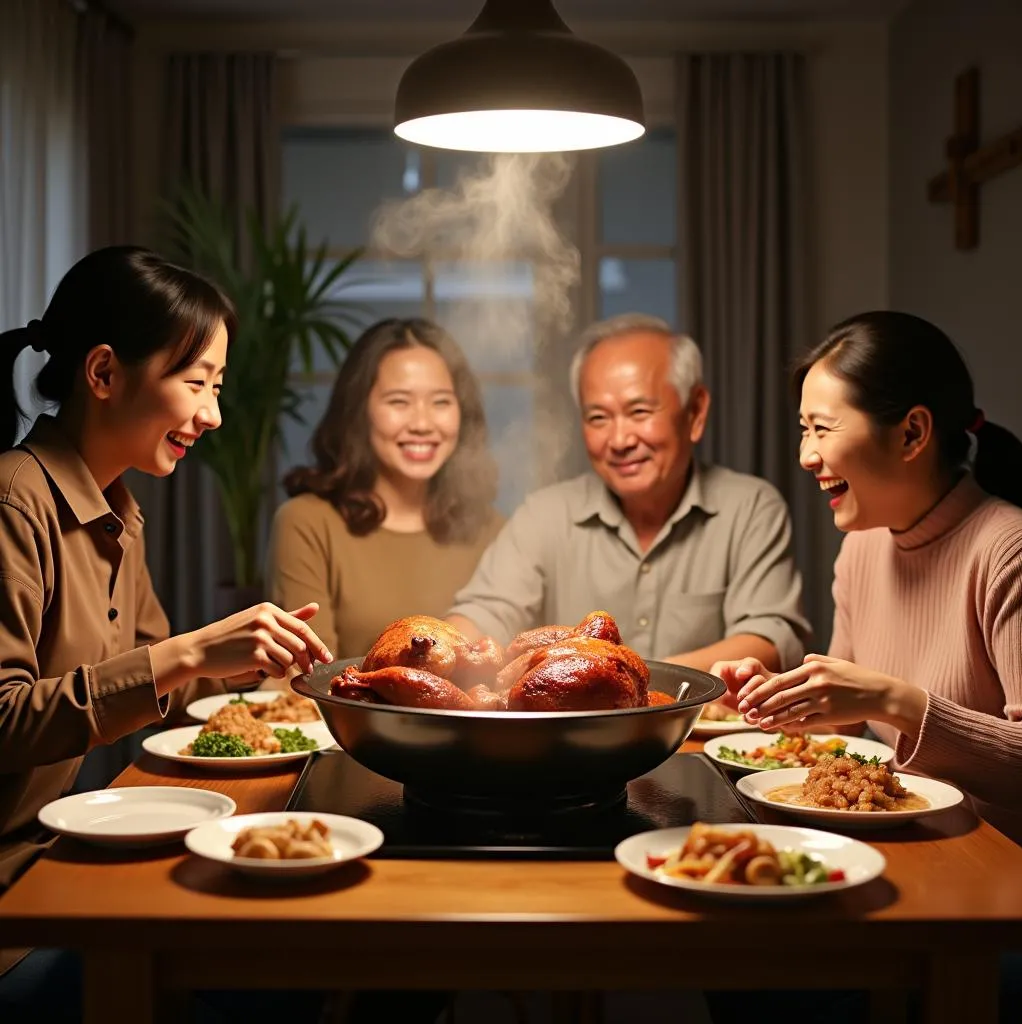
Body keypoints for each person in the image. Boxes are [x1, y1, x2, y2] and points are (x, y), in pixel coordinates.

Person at [0, 247, 333, 1016]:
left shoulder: (115, 509)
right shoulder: (17, 501)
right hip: (16, 903)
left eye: (216, 386)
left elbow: (173, 680)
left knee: (292, 942)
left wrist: (265, 665)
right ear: (106, 373)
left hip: (55, 865)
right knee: (265, 976)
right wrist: (191, 651)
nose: (213, 414)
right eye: (196, 383)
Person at [713, 310, 1022, 843]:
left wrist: (897, 701)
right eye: (803, 429)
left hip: (992, 869)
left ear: (912, 433)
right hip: (895, 846)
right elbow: (845, 726)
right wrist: (779, 699)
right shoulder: (862, 546)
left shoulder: (1008, 550)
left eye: (823, 429)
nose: (806, 455)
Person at [447, 313, 810, 672]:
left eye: (639, 411)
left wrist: (638, 680)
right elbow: (485, 613)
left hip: (700, 730)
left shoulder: (750, 508)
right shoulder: (543, 514)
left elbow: (769, 636)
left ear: (695, 413)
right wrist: (441, 650)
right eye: (598, 418)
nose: (619, 440)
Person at [266, 317, 503, 660]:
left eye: (440, 402)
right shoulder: (306, 523)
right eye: (398, 401)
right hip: (346, 714)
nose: (422, 423)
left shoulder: (492, 530)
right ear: (360, 411)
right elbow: (310, 677)